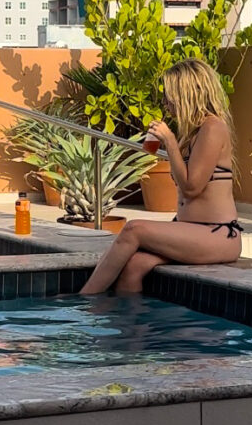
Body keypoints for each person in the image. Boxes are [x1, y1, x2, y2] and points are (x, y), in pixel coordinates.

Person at [80, 58, 242, 295]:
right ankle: (130, 328)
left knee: (133, 229)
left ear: (186, 93)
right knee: (135, 265)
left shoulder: (213, 127)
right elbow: (179, 178)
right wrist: (159, 144)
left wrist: (170, 142)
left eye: (169, 96)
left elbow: (191, 188)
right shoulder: (192, 132)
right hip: (190, 229)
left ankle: (85, 302)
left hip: (216, 233)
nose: (166, 103)